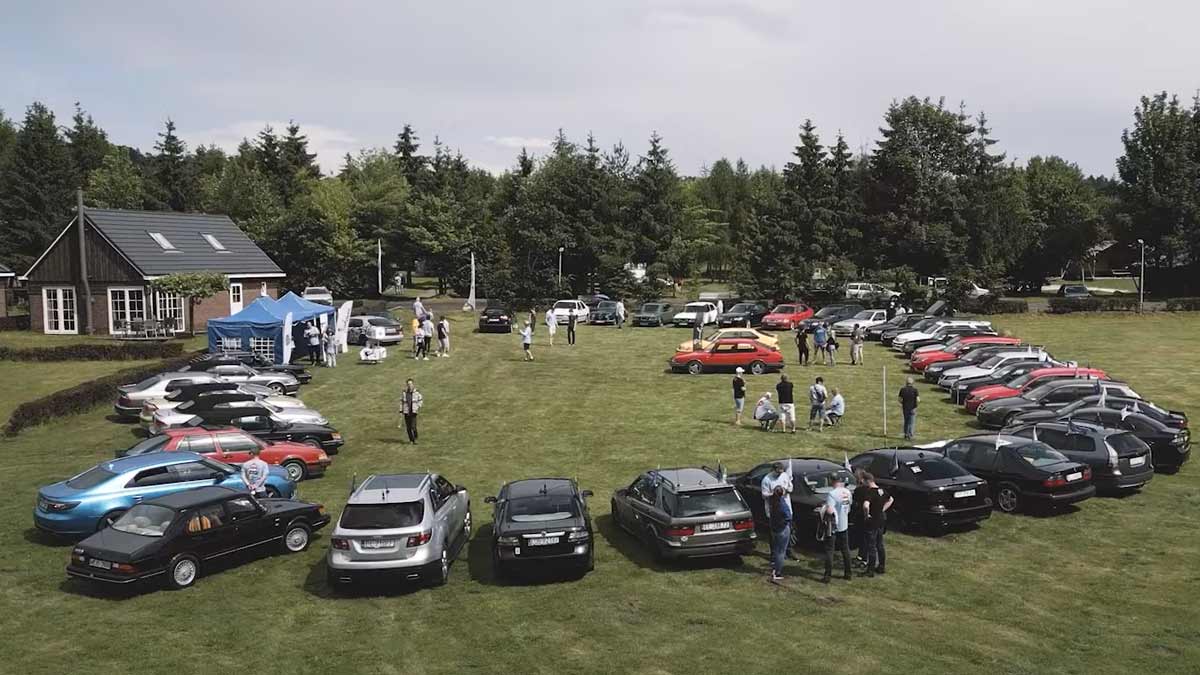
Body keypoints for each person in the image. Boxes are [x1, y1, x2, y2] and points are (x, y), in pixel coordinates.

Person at [821, 474, 853, 583]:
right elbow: (849, 506)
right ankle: (848, 573)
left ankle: (827, 575)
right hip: (844, 524)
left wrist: (823, 509)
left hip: (833, 525)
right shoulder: (847, 492)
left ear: (831, 480)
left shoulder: (832, 494)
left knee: (830, 550)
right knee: (845, 549)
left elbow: (830, 510)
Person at [860, 472, 893, 577]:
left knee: (871, 545)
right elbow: (891, 499)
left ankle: (870, 570)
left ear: (867, 481)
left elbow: (865, 506)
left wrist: (867, 515)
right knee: (880, 544)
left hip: (872, 521)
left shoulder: (870, 492)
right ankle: (881, 566)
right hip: (881, 520)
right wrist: (882, 510)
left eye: (863, 481)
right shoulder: (882, 490)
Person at [767, 486, 792, 582]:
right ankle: (778, 572)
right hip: (782, 530)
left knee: (776, 550)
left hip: (774, 529)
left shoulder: (772, 501)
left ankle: (774, 567)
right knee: (781, 552)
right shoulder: (782, 504)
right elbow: (788, 517)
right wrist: (784, 524)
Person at [400, 378, 423, 444]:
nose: (409, 385)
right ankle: (411, 440)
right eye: (408, 384)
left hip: (413, 412)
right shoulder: (404, 392)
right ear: (407, 385)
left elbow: (420, 400)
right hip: (406, 412)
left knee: (413, 426)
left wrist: (418, 406)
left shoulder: (417, 392)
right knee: (408, 428)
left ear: (413, 384)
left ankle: (415, 437)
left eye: (411, 384)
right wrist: (401, 410)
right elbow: (401, 402)